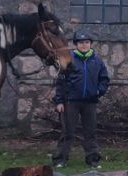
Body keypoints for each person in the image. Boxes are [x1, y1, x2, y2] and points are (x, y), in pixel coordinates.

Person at [52, 32, 110, 170]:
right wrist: (59, 101)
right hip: (70, 102)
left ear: (90, 44)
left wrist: (98, 91)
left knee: (90, 132)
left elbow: (104, 79)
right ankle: (61, 159)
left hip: (90, 102)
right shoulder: (69, 59)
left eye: (86, 42)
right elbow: (60, 81)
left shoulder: (97, 60)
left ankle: (93, 160)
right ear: (76, 45)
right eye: (81, 42)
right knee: (67, 132)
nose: (84, 45)